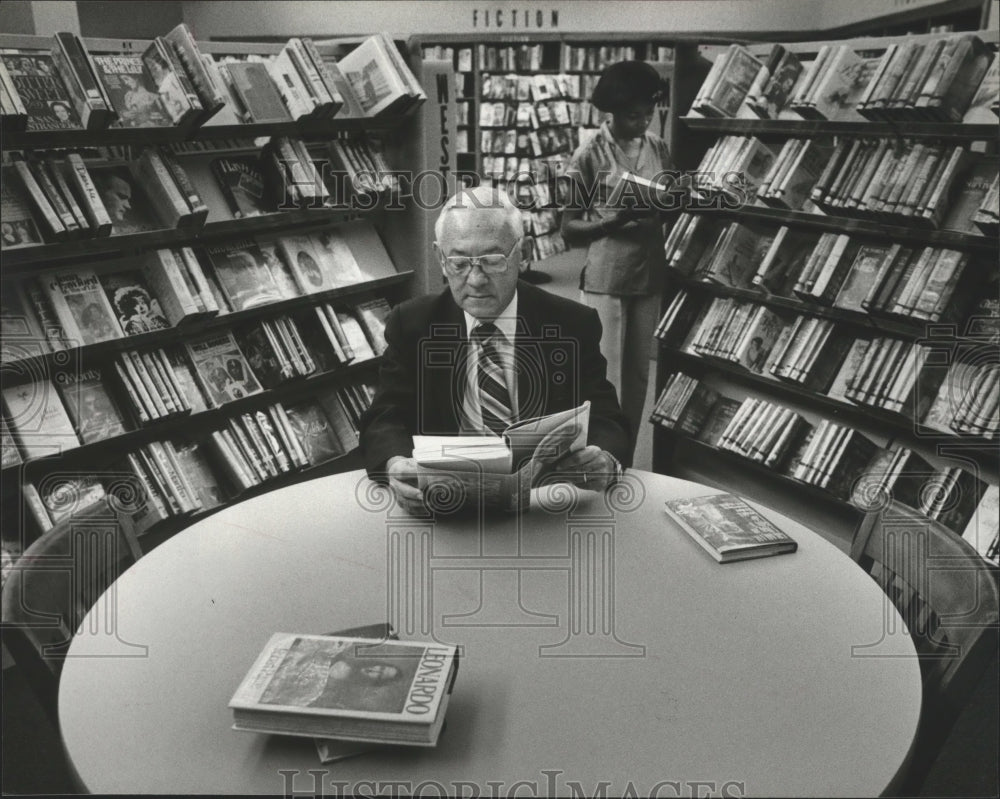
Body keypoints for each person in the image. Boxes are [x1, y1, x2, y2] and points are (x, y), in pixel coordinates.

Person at [360, 186, 631, 514]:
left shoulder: (570, 324)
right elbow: (384, 417)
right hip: (443, 507)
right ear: (440, 259)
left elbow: (606, 416)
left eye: (492, 261)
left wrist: (605, 458)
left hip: (542, 507)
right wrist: (395, 465)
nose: (475, 280)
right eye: (459, 262)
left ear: (523, 253)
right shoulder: (413, 324)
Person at [560, 60, 688, 449]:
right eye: (634, 116)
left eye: (649, 114)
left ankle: (624, 456)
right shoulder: (589, 154)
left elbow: (668, 204)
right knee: (607, 377)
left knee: (637, 379)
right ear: (612, 113)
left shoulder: (658, 147)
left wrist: (674, 202)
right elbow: (568, 229)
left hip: (648, 273)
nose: (643, 123)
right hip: (607, 276)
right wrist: (613, 222)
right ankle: (598, 455)